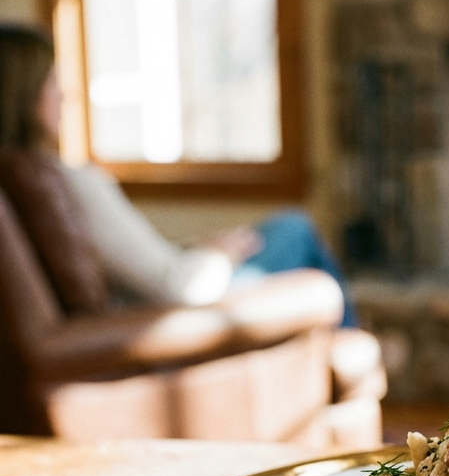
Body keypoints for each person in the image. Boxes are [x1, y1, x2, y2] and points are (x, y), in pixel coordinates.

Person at [0, 23, 356, 325]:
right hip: (165, 316)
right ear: (23, 94)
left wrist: (201, 251)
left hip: (151, 300)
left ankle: (354, 352)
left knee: (283, 232)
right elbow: (178, 287)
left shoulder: (20, 179)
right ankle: (357, 353)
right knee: (295, 230)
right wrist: (220, 256)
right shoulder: (65, 181)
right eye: (52, 82)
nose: (65, 95)